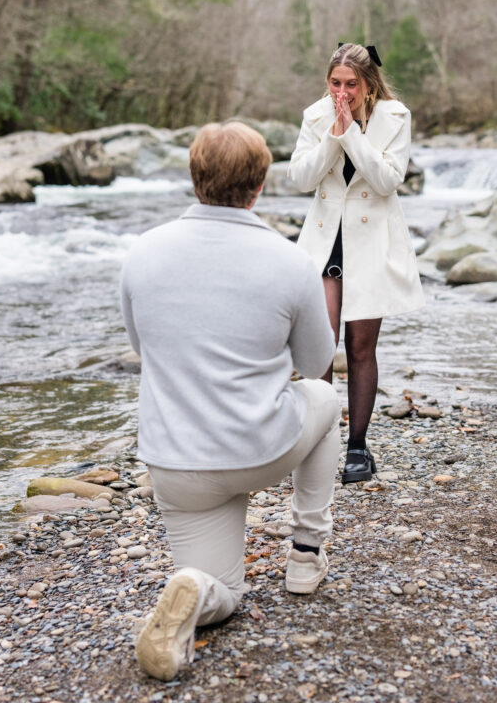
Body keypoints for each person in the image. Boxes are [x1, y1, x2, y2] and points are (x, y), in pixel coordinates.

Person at [120, 120, 339, 682]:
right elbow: (316, 364)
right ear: (260, 185)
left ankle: (196, 588)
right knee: (324, 399)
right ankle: (306, 554)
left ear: (194, 178)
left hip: (177, 461)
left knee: (226, 591)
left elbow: (143, 347)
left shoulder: (142, 252)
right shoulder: (290, 261)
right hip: (259, 446)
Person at [288, 42, 425, 484]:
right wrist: (333, 135)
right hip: (326, 242)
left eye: (350, 85)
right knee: (320, 345)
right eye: (334, 83)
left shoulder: (395, 117)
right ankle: (319, 443)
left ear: (368, 85)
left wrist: (353, 136)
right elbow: (301, 178)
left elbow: (388, 180)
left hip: (371, 243)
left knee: (361, 349)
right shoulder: (315, 115)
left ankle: (358, 448)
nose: (341, 93)